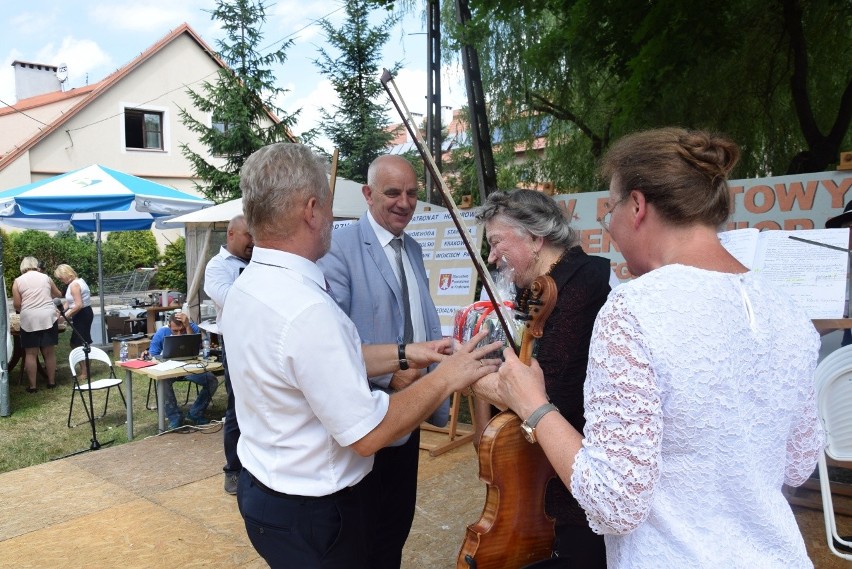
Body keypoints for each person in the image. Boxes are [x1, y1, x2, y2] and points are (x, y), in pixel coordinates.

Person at [474, 127, 823, 568]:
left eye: (610, 211)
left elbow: (614, 504)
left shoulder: (633, 310)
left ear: (636, 206)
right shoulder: (787, 308)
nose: (611, 228)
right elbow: (797, 464)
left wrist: (535, 406)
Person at [221, 142, 501, 569]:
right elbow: (367, 433)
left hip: (268, 495)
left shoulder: (250, 285)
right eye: (331, 206)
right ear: (313, 210)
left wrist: (407, 352)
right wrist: (447, 377)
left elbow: (323, 363)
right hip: (316, 515)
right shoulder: (307, 310)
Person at [317, 154, 444, 568]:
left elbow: (423, 319)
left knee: (394, 530)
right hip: (367, 420)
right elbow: (330, 344)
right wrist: (391, 379)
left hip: (410, 416)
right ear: (368, 195)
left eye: (411, 193)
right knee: (364, 539)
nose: (404, 203)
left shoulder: (413, 248)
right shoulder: (339, 247)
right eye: (392, 193)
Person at [473, 189, 611, 567]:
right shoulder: (541, 288)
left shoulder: (581, 287)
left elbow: (544, 392)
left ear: (535, 239)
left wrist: (467, 375)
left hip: (577, 479)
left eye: (497, 241)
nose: (491, 256)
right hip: (549, 474)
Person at [204, 214, 253, 495]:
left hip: (263, 340)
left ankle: (256, 465)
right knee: (237, 407)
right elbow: (228, 299)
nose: (254, 242)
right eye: (249, 236)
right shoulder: (216, 266)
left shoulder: (258, 261)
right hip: (234, 343)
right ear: (232, 234)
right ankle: (233, 470)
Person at [142, 312, 219, 429]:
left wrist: (188, 327)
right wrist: (149, 355)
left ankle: (195, 413)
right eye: (175, 331)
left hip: (190, 366)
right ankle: (174, 417)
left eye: (181, 330)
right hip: (169, 368)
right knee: (163, 382)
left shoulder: (191, 327)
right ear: (169, 326)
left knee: (211, 380)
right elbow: (153, 354)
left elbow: (197, 347)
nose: (178, 334)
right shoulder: (161, 333)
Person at [12, 257, 63, 392]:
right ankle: (51, 382)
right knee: (49, 352)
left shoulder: (18, 281)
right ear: (36, 265)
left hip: (29, 318)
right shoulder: (46, 278)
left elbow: (17, 304)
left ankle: (33, 386)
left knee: (30, 354)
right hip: (48, 316)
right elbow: (57, 294)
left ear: (22, 267)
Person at [54, 264, 94, 378]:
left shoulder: (74, 285)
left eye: (61, 278)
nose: (61, 280)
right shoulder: (76, 282)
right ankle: (86, 370)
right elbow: (69, 302)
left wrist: (65, 316)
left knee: (79, 342)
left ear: (66, 274)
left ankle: (85, 372)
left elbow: (78, 305)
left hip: (82, 314)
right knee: (80, 341)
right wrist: (61, 312)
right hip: (83, 314)